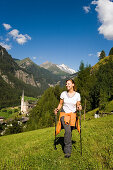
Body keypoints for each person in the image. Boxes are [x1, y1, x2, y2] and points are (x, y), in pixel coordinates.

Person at [54, 79, 82, 158]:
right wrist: (57, 109)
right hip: (64, 114)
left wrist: (79, 107)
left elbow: (78, 104)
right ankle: (67, 151)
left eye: (68, 84)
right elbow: (60, 104)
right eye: (66, 84)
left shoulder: (77, 95)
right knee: (68, 131)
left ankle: (67, 140)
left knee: (69, 132)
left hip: (73, 115)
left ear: (73, 84)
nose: (67, 85)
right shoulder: (63, 94)